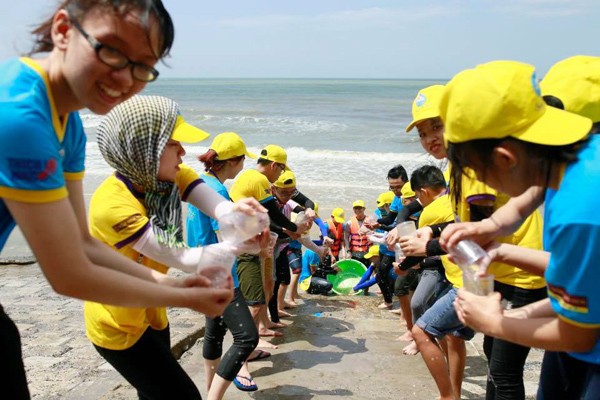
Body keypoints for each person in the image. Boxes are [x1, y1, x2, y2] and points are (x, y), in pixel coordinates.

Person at [0, 2, 235, 398]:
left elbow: (84, 244)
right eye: (112, 50)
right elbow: (68, 274)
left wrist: (179, 290)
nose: (125, 78)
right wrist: (183, 296)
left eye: (143, 66)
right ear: (62, 29)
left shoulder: (68, 121)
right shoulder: (20, 116)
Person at [85, 96, 268, 399]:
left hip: (153, 312)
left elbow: (219, 209)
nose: (184, 152)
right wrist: (237, 246)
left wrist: (243, 217)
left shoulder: (170, 175)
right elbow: (181, 257)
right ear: (143, 153)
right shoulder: (112, 205)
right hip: (118, 325)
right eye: (174, 144)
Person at [440, 59, 599, 399]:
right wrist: (492, 226)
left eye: (477, 171)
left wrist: (494, 324)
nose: (480, 183)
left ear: (505, 158)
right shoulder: (573, 156)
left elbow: (579, 334)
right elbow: (530, 196)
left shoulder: (580, 211)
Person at [185, 132, 263, 397]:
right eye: (243, 161)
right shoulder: (217, 191)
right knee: (247, 338)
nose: (244, 166)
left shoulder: (199, 185)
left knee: (215, 332)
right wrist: (259, 242)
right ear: (234, 161)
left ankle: (209, 388)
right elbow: (228, 239)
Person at [229, 145, 310, 344]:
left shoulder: (252, 177)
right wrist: (294, 228)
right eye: (281, 169)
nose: (281, 173)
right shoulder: (258, 179)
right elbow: (272, 213)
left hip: (258, 241)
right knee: (255, 299)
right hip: (246, 243)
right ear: (274, 165)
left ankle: (262, 326)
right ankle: (248, 343)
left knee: (268, 284)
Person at [344, 200, 370, 266]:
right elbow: (346, 238)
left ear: (364, 209)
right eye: (356, 208)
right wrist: (348, 251)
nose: (357, 210)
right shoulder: (349, 223)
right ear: (353, 209)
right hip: (354, 253)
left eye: (359, 208)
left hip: (367, 253)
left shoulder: (370, 221)